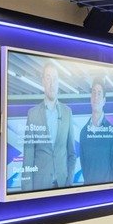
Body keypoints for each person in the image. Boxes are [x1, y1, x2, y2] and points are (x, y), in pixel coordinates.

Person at [22, 60, 73, 190]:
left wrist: (69, 182)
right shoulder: (32, 114)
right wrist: (26, 192)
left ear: (59, 82)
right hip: (40, 187)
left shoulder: (67, 113)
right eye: (48, 78)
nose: (52, 84)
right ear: (43, 81)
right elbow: (28, 157)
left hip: (63, 185)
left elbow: (72, 154)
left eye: (55, 79)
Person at [77, 78, 113, 185]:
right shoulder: (84, 132)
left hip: (106, 192)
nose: (96, 97)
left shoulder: (111, 131)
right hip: (88, 191)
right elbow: (84, 164)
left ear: (104, 100)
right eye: (93, 93)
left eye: (99, 93)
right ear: (90, 98)